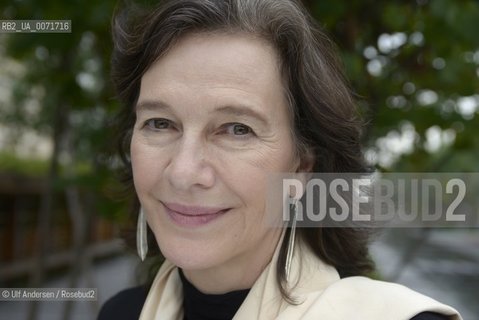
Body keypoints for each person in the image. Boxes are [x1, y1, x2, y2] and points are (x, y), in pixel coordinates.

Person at [98, 0, 462, 319]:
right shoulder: (121, 313)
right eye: (160, 123)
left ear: (302, 166)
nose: (182, 172)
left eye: (237, 129)